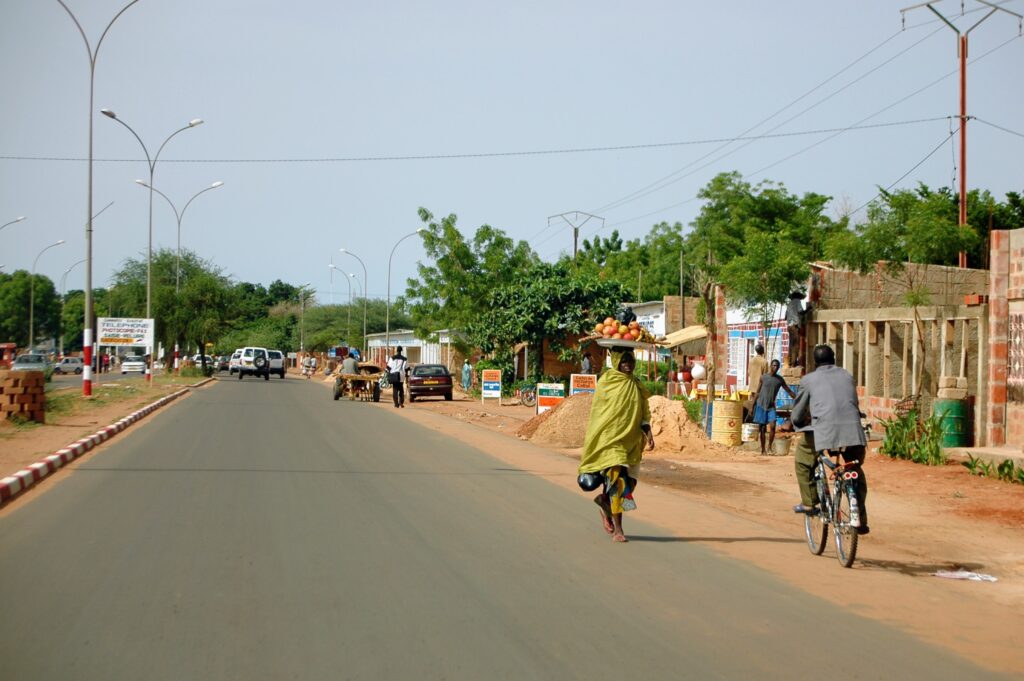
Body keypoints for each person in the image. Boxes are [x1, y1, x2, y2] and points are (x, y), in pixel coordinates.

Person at [790, 344, 870, 535]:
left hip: (824, 431)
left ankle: (809, 502)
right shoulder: (847, 376)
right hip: (853, 432)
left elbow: (798, 412)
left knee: (803, 459)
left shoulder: (808, 380)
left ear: (815, 362)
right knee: (854, 467)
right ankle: (860, 517)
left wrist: (797, 422)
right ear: (834, 359)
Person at [577, 348, 655, 543]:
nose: (628, 364)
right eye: (624, 360)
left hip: (631, 441)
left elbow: (644, 412)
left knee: (630, 484)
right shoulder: (607, 382)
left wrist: (648, 431)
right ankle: (619, 530)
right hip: (610, 441)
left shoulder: (637, 385)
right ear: (617, 361)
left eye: (631, 360)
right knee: (618, 484)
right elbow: (600, 413)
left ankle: (605, 503)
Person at [752, 359, 795, 456]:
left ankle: (770, 447)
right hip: (761, 405)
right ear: (771, 366)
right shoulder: (763, 377)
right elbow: (758, 392)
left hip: (771, 406)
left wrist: (798, 398)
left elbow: (788, 390)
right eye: (774, 365)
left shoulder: (779, 380)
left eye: (777, 366)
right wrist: (752, 405)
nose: (775, 368)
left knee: (772, 426)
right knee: (762, 428)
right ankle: (763, 450)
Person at [786, 291, 807, 367]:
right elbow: (801, 312)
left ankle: (790, 362)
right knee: (796, 345)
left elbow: (785, 317)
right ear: (798, 297)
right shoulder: (797, 302)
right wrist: (808, 309)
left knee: (791, 345)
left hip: (789, 326)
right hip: (794, 325)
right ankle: (794, 363)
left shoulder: (789, 304)